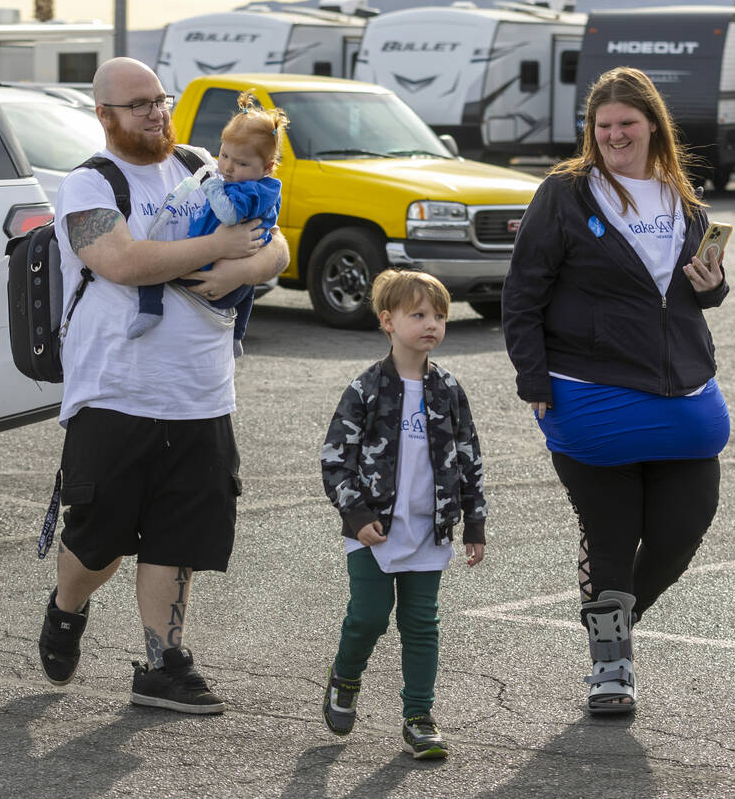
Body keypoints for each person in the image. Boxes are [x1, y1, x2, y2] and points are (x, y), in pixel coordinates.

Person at [37, 57, 289, 714]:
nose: (156, 112)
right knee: (101, 542)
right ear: (104, 115)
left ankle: (163, 661)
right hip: (115, 393)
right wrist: (219, 250)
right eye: (138, 104)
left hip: (201, 393)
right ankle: (67, 606)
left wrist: (244, 268)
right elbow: (121, 262)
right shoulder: (89, 187)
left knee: (179, 538)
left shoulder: (204, 163)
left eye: (160, 98)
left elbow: (277, 244)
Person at [500, 66, 730, 714]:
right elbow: (523, 292)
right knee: (610, 533)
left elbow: (697, 295)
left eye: (627, 124)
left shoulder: (681, 199)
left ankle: (611, 618)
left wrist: (713, 284)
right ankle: (611, 668)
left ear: (652, 124)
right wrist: (533, 379)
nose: (614, 135)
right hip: (589, 393)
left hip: (684, 396)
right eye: (603, 127)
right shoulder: (567, 193)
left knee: (682, 530)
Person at [319, 269, 487, 759]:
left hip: (429, 531)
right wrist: (354, 514)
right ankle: (345, 677)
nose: (431, 324)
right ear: (388, 321)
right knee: (369, 617)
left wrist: (473, 521)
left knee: (421, 625)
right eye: (418, 315)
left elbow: (470, 456)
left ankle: (419, 717)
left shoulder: (449, 390)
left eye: (439, 316)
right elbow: (335, 459)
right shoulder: (367, 388)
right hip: (372, 529)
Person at [126, 90, 287, 357]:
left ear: (268, 166)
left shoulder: (247, 189)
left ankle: (149, 310)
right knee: (247, 291)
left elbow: (229, 215)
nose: (227, 168)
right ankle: (237, 335)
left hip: (208, 273)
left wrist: (212, 187)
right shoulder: (260, 185)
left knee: (155, 272)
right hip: (232, 285)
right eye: (224, 155)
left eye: (241, 163)